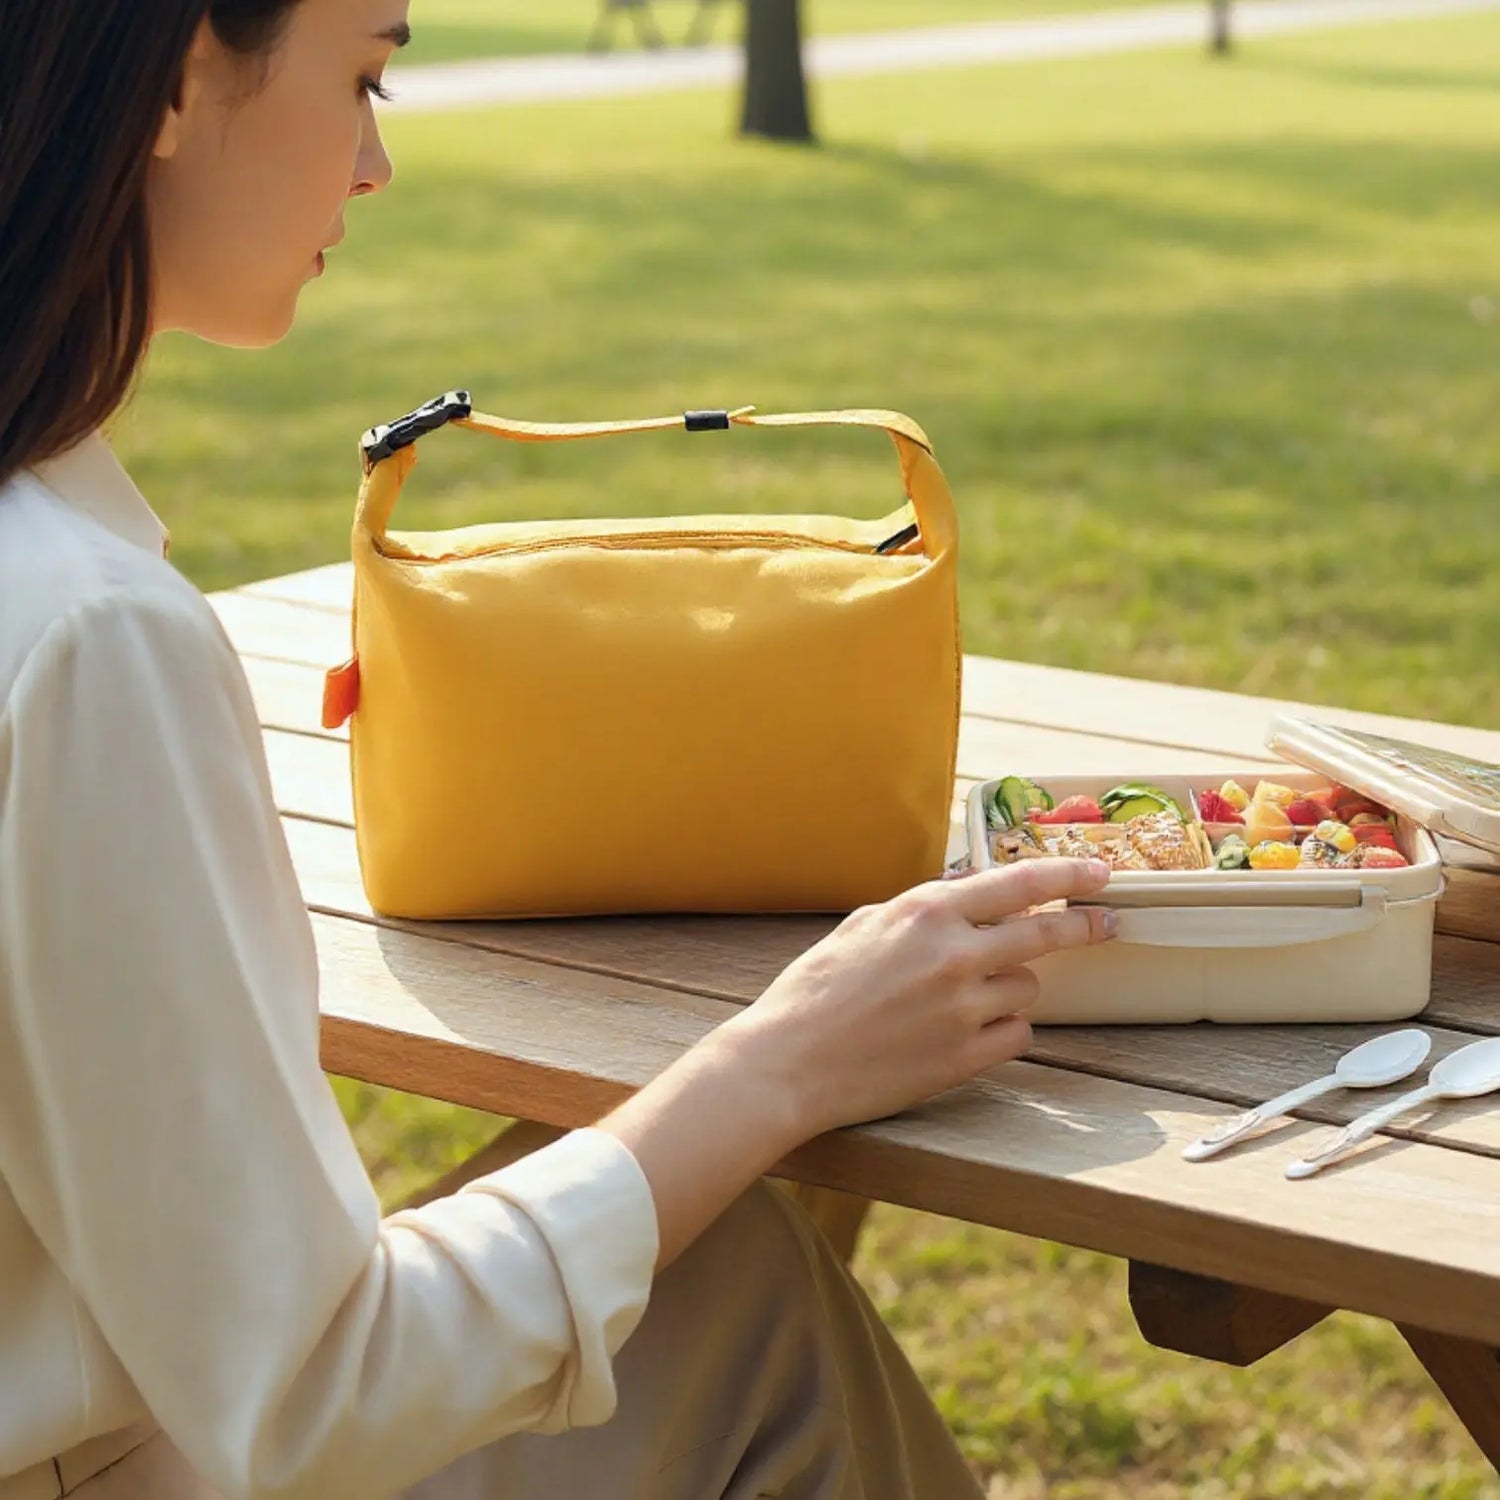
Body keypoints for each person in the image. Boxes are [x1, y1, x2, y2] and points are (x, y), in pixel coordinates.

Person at [0, 3, 1119, 1497]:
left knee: (718, 1275)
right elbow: (306, 1400)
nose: (378, 159)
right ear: (184, 73)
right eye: (365, 74)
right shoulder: (88, 633)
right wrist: (781, 1063)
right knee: (730, 1283)